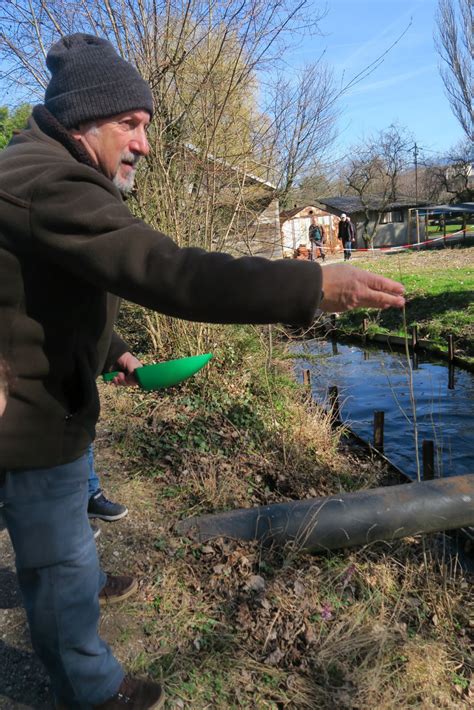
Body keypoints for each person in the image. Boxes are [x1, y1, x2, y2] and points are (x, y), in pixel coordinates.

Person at [0, 33, 405, 710]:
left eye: (148, 126)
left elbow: (60, 290)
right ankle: (92, 688)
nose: (144, 144)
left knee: (68, 542)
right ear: (82, 121)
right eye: (130, 124)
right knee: (57, 568)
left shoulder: (41, 172)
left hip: (50, 404)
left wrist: (113, 350)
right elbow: (172, 273)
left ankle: (84, 579)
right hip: (29, 422)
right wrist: (309, 289)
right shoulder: (48, 182)